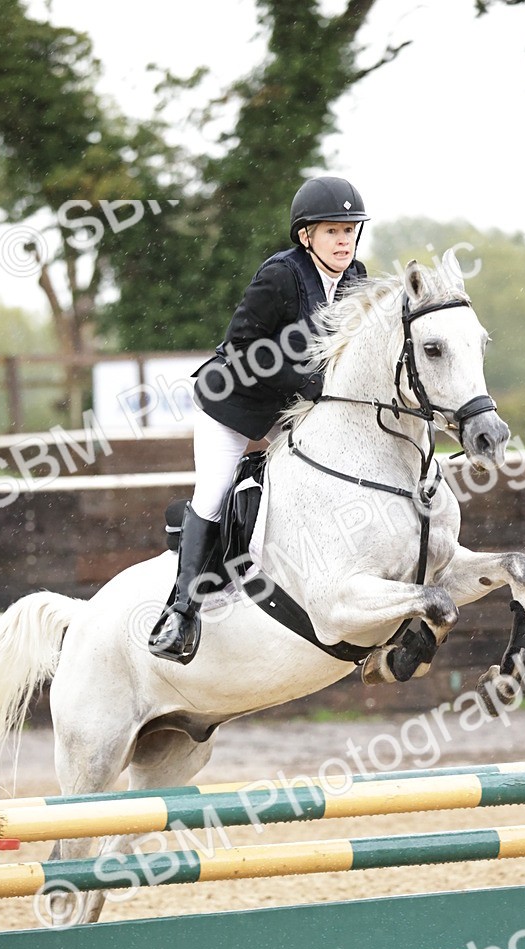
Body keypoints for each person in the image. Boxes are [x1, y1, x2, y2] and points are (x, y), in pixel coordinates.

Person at [148, 175, 370, 663]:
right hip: (235, 403)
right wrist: (309, 384)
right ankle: (181, 612)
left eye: (350, 231)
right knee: (213, 493)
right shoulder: (280, 275)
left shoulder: (357, 280)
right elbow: (244, 347)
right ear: (305, 236)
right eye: (332, 231)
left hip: (290, 410)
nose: (344, 241)